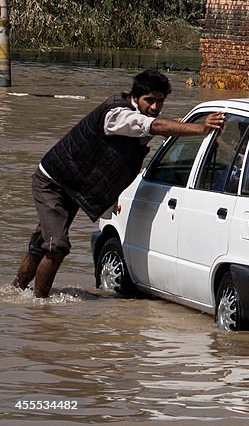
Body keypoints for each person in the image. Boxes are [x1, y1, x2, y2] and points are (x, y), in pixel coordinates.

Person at [12, 69, 226, 298]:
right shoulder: (118, 114)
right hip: (53, 181)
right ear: (136, 97)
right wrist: (200, 128)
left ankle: (16, 292)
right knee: (57, 247)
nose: (155, 107)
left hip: (75, 186)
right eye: (150, 100)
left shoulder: (142, 117)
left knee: (43, 243)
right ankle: (40, 307)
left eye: (160, 101)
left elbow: (160, 127)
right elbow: (154, 126)